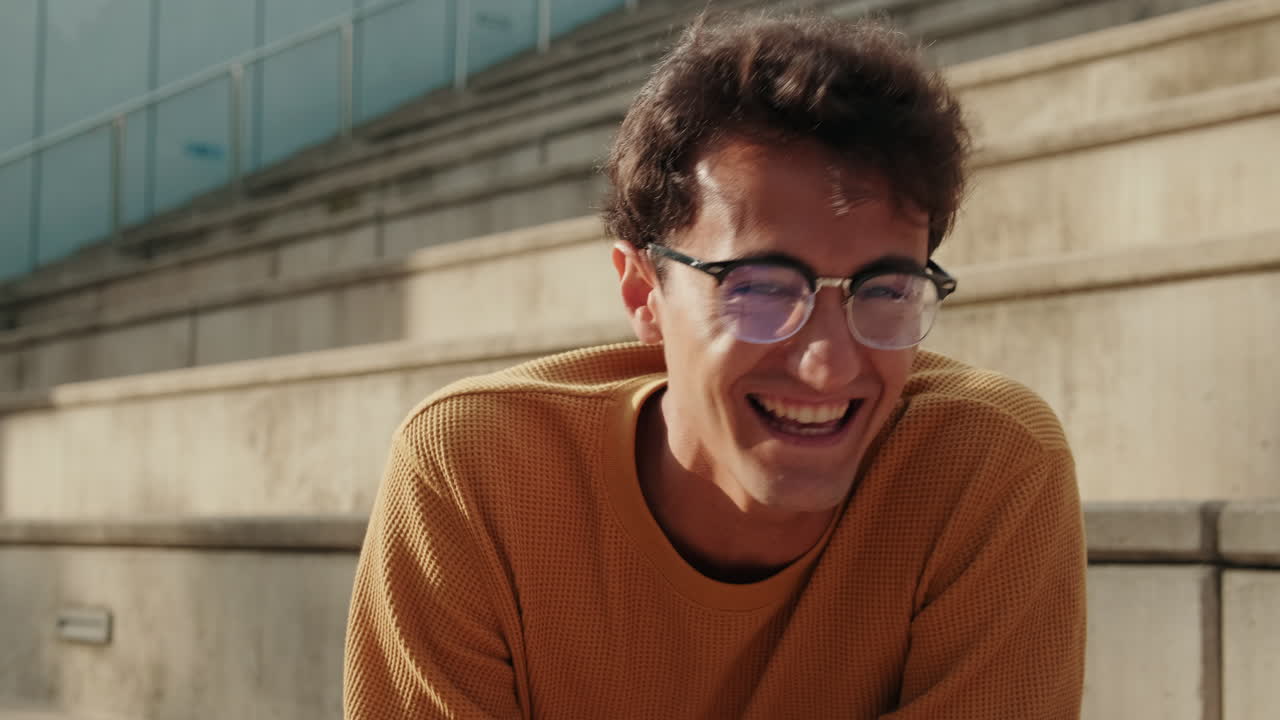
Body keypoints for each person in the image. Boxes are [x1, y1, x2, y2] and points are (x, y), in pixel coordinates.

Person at [343, 11, 1086, 720]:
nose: (828, 365)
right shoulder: (477, 472)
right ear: (643, 292)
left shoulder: (988, 467)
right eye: (761, 288)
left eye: (886, 291)